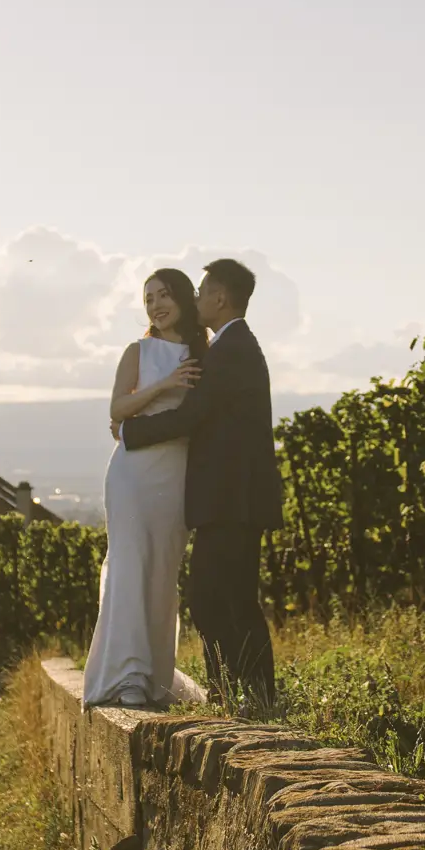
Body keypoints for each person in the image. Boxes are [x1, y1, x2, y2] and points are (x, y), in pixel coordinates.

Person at [117, 257, 280, 706]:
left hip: (231, 500)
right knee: (229, 599)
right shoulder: (232, 346)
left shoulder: (232, 349)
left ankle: (239, 696)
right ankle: (245, 696)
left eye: (202, 289)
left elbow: (194, 414)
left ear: (220, 298)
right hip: (232, 499)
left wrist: (133, 431)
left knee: (214, 600)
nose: (196, 297)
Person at [81, 269, 204, 707]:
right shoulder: (138, 351)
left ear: (185, 299)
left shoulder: (204, 353)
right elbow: (118, 408)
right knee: (130, 566)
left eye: (163, 295)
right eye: (148, 298)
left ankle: (154, 676)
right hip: (132, 476)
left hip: (175, 476)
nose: (155, 305)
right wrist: (165, 385)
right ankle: (127, 676)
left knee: (162, 574)